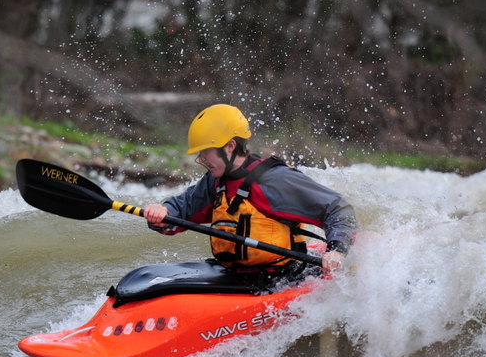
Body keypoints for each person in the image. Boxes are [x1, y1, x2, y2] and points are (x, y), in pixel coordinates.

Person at [144, 104, 355, 281]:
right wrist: (162, 212)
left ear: (230, 146)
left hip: (283, 277)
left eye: (205, 152)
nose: (201, 160)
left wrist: (336, 250)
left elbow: (339, 210)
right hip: (237, 276)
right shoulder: (216, 182)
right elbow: (181, 210)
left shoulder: (276, 180)